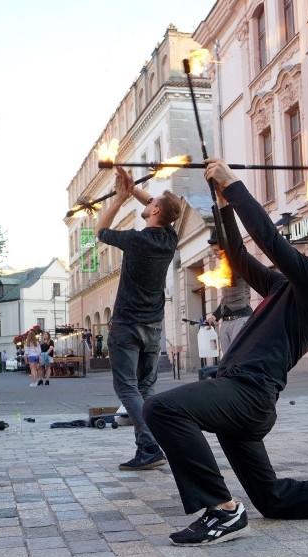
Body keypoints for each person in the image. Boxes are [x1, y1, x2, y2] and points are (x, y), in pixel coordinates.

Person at [143, 159, 308, 547]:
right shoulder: (291, 286)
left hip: (247, 392)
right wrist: (222, 205)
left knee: (162, 408)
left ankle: (222, 510)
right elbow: (238, 259)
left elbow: (270, 239)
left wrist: (234, 185)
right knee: (272, 498)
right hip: (248, 397)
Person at [96, 165, 181, 471]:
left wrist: (118, 199)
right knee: (145, 388)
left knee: (127, 388)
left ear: (155, 209)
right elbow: (160, 208)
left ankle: (149, 445)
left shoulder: (136, 239)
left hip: (127, 325)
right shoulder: (169, 237)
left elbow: (101, 231)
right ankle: (147, 449)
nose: (146, 203)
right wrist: (132, 189)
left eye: (151, 202)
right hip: (154, 326)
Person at [204, 230, 253, 357]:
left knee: (241, 358)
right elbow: (225, 299)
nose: (214, 255)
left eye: (216, 250)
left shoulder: (239, 263)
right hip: (225, 323)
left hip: (240, 319)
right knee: (227, 360)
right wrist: (214, 317)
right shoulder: (222, 268)